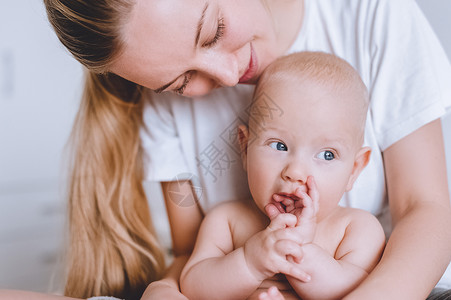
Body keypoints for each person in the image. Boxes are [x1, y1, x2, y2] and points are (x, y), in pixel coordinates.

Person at [3, 0, 450, 299]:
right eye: (181, 82)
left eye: (213, 30)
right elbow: (189, 251)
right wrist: (166, 288)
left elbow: (427, 209)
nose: (228, 74)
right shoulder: (164, 108)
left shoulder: (369, 13)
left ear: (356, 166)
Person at [180, 51, 386, 300]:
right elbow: (193, 286)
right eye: (279, 146)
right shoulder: (227, 222)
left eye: (327, 155)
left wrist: (301, 250)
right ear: (245, 149)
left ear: (354, 170)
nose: (295, 173)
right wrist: (249, 262)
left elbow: (361, 291)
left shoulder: (356, 229)